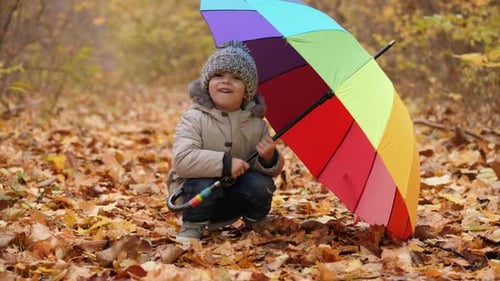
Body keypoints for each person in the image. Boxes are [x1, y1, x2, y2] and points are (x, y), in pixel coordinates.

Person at [167, 41, 285, 241]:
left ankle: (255, 219)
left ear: (247, 90)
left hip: (235, 195)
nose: (226, 82)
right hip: (196, 196)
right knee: (201, 179)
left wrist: (269, 158)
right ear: (207, 83)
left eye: (236, 78)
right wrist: (225, 163)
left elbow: (268, 170)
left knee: (260, 183)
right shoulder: (194, 118)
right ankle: (192, 226)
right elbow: (182, 160)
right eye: (219, 75)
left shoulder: (256, 125)